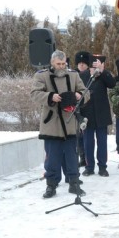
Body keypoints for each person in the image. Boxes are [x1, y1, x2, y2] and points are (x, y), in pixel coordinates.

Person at [30, 50, 89, 198]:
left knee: (72, 156)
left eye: (64, 64)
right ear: (52, 63)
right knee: (52, 157)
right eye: (58, 64)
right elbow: (35, 94)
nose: (61, 66)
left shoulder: (74, 75)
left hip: (70, 122)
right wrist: (50, 96)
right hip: (51, 123)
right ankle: (51, 185)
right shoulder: (41, 75)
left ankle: (74, 183)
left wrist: (80, 95)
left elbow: (85, 92)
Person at [80, 54, 116, 177]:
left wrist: (103, 71)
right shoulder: (82, 76)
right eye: (93, 65)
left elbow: (112, 84)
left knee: (102, 142)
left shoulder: (103, 75)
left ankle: (102, 167)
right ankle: (89, 167)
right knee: (88, 143)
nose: (95, 68)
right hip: (87, 115)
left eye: (98, 65)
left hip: (101, 114)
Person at [74, 51, 90, 167]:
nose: (81, 65)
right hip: (76, 109)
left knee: (88, 138)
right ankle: (82, 157)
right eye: (79, 63)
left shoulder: (91, 75)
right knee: (79, 137)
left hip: (89, 109)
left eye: (84, 63)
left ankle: (89, 159)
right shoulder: (73, 75)